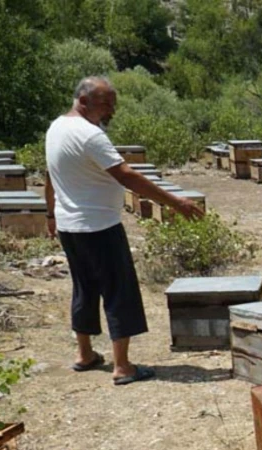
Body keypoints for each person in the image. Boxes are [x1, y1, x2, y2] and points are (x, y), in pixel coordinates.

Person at [45, 76, 203, 385]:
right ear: (84, 100)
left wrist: (51, 214)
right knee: (119, 292)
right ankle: (122, 367)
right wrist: (175, 203)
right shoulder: (90, 136)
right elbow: (126, 176)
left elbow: (52, 174)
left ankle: (85, 354)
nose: (111, 111)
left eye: (113, 104)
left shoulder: (55, 128)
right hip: (98, 226)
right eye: (106, 104)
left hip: (69, 226)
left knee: (84, 288)